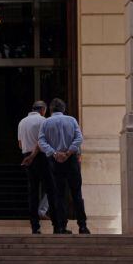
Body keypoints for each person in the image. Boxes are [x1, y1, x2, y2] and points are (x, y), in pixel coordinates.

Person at [38, 98, 90, 235]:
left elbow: (41, 142)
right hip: (71, 160)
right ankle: (82, 226)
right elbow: (79, 139)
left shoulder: (46, 122)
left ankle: (61, 227)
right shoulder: (71, 120)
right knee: (77, 194)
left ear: (50, 110)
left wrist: (54, 153)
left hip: (55, 162)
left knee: (59, 195)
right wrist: (68, 152)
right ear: (63, 109)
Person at [18, 100, 60, 234]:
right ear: (43, 110)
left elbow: (20, 144)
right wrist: (34, 155)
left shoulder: (22, 122)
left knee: (33, 192)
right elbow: (42, 142)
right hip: (41, 157)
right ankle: (57, 226)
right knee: (51, 190)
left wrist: (29, 155)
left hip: (26, 156)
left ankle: (35, 227)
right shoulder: (43, 121)